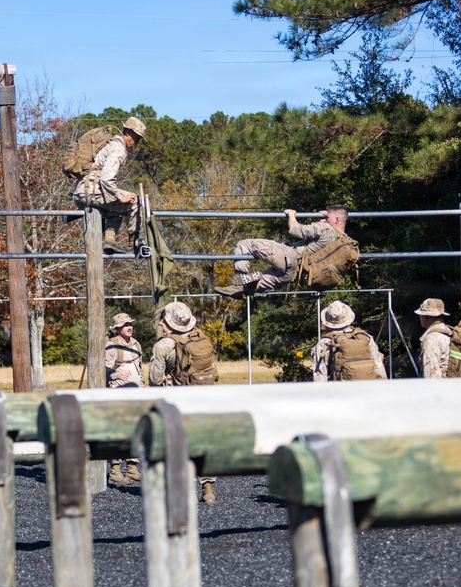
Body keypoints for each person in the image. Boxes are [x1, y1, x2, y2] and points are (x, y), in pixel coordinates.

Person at [147, 301, 219, 503]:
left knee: (177, 444)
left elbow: (155, 379)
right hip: (202, 398)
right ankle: (208, 488)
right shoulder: (201, 338)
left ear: (168, 322)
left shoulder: (163, 345)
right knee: (202, 441)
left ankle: (183, 491)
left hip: (177, 401)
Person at [215, 204, 350, 298]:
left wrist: (291, 215)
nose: (324, 218)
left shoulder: (325, 229)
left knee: (245, 244)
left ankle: (241, 277)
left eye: (327, 216)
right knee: (260, 284)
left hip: (289, 256)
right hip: (294, 273)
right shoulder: (342, 240)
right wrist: (325, 219)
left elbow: (295, 230)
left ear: (337, 219)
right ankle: (248, 286)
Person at [71, 116, 147, 255]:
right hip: (92, 191)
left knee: (117, 208)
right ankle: (134, 244)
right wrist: (119, 197)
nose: (137, 142)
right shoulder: (118, 148)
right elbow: (106, 179)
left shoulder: (109, 144)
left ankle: (110, 240)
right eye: (137, 137)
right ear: (128, 132)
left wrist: (117, 199)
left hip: (83, 191)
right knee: (134, 201)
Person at [105, 312, 144, 486]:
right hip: (117, 395)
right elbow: (101, 370)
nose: (129, 327)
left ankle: (132, 468)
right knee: (117, 431)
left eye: (130, 323)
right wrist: (114, 374)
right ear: (117, 328)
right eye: (125, 325)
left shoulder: (136, 344)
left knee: (136, 430)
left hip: (136, 395)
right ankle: (114, 469)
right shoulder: (110, 346)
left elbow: (140, 368)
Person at [312, 300, 386, 381]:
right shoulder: (365, 337)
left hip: (342, 391)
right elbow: (379, 368)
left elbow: (320, 376)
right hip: (368, 389)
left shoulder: (325, 343)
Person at [415, 298, 452, 378]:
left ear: (426, 317)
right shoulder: (449, 333)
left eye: (421, 316)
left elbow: (431, 377)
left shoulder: (430, 341)